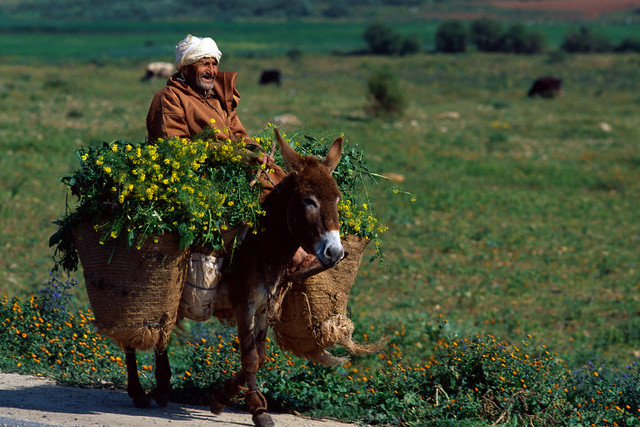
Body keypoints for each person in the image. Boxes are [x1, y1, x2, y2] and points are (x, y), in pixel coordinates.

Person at [146, 34, 252, 145]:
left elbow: (240, 135)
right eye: (205, 64)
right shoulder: (170, 97)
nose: (211, 71)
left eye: (214, 64)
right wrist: (232, 154)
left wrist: (256, 153)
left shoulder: (219, 96)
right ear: (186, 69)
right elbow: (177, 146)